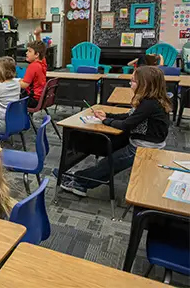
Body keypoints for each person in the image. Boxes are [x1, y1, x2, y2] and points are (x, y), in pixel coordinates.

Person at [60, 66, 171, 197]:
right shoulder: (151, 100)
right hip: (143, 142)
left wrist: (105, 121)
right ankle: (79, 178)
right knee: (108, 157)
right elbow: (129, 116)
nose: (130, 83)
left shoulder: (149, 104)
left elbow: (126, 125)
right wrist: (107, 115)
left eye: (133, 81)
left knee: (108, 164)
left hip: (144, 148)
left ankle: (79, 181)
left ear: (145, 84)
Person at [20, 39, 47, 108]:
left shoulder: (33, 66)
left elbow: (24, 85)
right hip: (41, 99)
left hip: (32, 100)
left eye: (29, 51)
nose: (26, 53)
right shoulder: (43, 62)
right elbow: (42, 52)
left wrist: (12, 81)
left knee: (9, 96)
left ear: (37, 54)